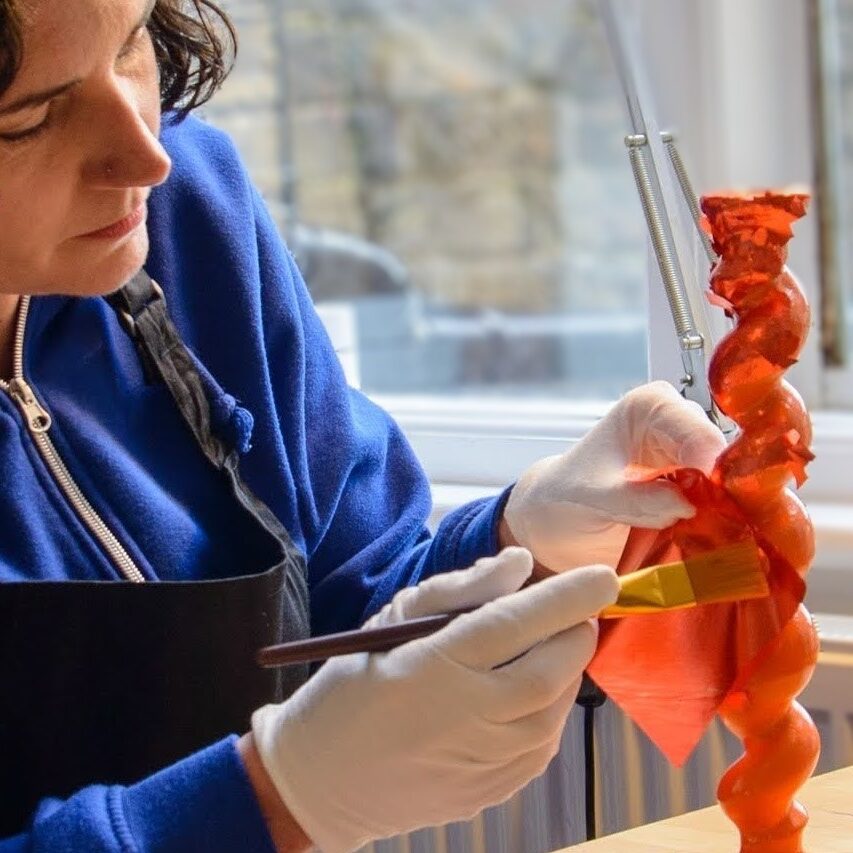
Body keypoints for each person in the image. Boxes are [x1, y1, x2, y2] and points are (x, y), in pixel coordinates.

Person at [0, 1, 726, 851]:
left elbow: (359, 600)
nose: (147, 156)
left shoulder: (191, 211)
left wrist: (521, 541)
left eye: (130, 46)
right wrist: (276, 797)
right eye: (31, 118)